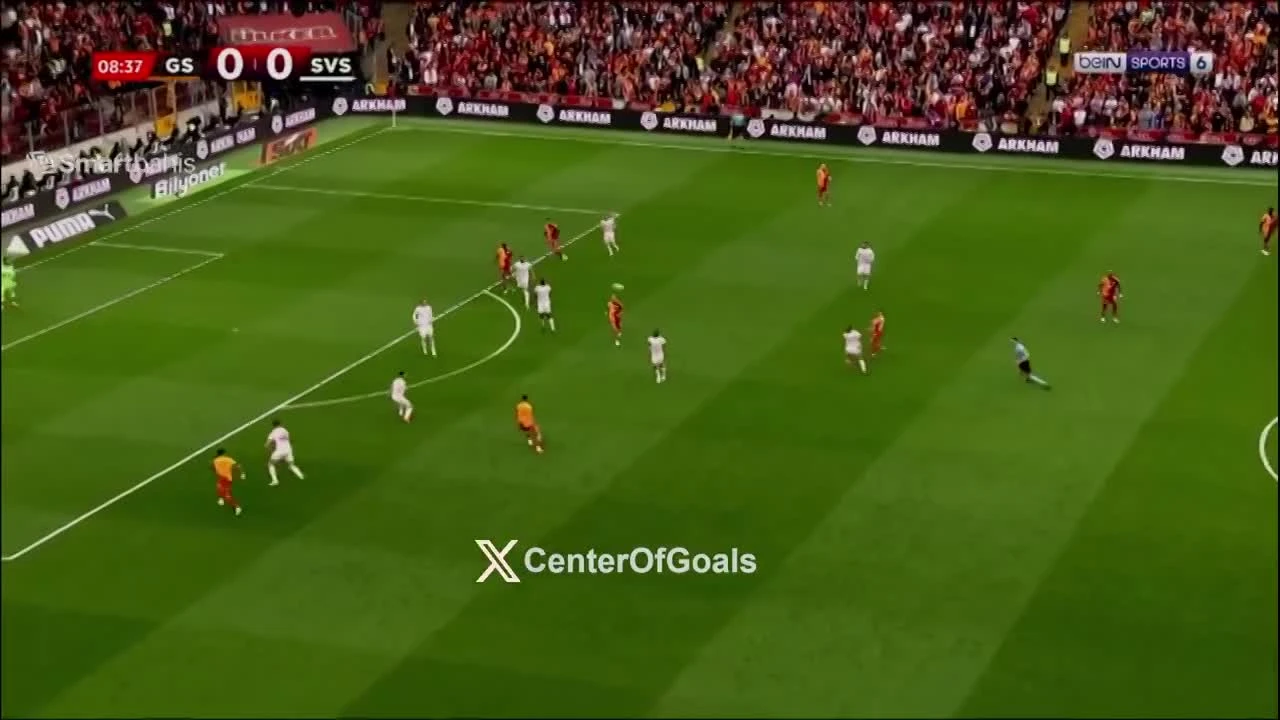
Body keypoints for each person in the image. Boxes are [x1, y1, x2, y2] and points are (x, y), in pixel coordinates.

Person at [265, 419, 305, 486]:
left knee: (270, 464)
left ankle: (275, 481)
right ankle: (301, 476)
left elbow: (267, 444)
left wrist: (269, 447)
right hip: (288, 449)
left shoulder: (273, 432)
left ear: (273, 426)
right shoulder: (285, 430)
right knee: (291, 464)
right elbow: (289, 439)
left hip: (280, 450)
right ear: (280, 424)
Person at [212, 448, 244, 515]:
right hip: (227, 478)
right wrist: (242, 473)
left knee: (223, 491)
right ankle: (222, 499)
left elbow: (213, 467)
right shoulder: (228, 459)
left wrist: (217, 471)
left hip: (222, 477)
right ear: (224, 453)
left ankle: (236, 507)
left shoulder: (215, 460)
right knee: (221, 489)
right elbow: (238, 466)